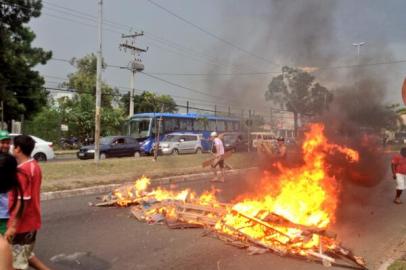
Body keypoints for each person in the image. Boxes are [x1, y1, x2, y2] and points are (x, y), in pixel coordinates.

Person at [7, 135, 50, 270]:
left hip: (22, 225)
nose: (12, 148)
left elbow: (23, 201)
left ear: (18, 149)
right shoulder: (34, 166)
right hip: (32, 221)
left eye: (13, 146)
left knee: (18, 264)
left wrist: (13, 226)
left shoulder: (23, 171)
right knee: (26, 255)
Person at [0, 131, 12, 236]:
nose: (6, 145)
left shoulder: (10, 160)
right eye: (3, 142)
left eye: (8, 143)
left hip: (5, 210)